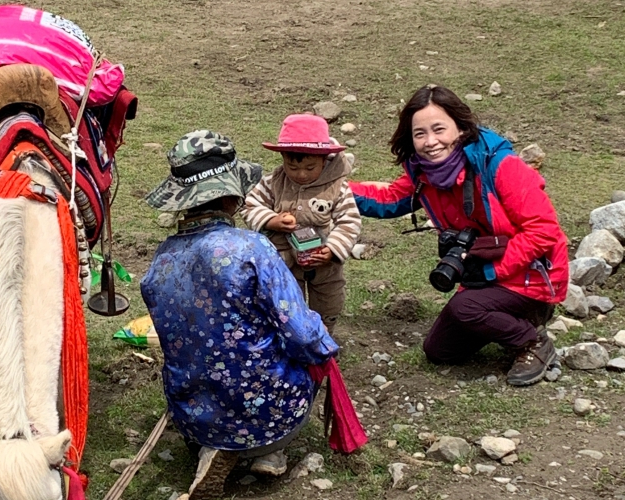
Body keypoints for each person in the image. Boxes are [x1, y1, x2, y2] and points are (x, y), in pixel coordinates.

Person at [141, 130, 340, 499]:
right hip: (262, 408)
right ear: (233, 197)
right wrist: (327, 348)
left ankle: (213, 446)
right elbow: (301, 333)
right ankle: (267, 451)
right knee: (309, 358)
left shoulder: (161, 261)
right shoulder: (251, 247)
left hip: (193, 414)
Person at [349, 85, 569, 386]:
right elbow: (389, 200)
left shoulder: (500, 166)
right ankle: (505, 321)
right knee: (439, 350)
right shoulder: (424, 174)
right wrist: (338, 192)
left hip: (532, 277)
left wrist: (494, 270)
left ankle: (532, 341)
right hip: (484, 277)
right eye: (420, 133)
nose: (430, 142)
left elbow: (544, 231)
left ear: (462, 127)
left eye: (439, 129)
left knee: (464, 308)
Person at [241, 114, 362, 334]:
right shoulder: (273, 182)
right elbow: (250, 205)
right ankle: (291, 340)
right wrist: (271, 219)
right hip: (284, 262)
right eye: (293, 167)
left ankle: (323, 339)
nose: (302, 174)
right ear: (283, 159)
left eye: (310, 167)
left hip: (325, 265)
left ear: (324, 161)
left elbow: (349, 221)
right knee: (286, 305)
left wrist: (332, 249)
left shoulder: (337, 188)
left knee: (329, 303)